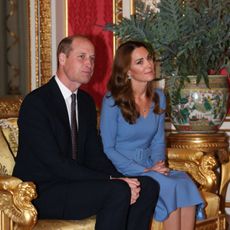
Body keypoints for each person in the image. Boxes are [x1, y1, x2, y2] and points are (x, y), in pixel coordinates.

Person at [13, 35, 160, 230]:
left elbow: (94, 155)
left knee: (147, 186)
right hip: (41, 191)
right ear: (62, 59)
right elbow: (54, 162)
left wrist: (123, 178)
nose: (89, 63)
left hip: (76, 186)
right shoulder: (37, 103)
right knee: (117, 190)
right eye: (82, 57)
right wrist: (112, 180)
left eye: (92, 58)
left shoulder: (85, 102)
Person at [100, 41, 205, 230]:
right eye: (140, 62)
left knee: (185, 182)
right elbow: (108, 148)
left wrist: (158, 165)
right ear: (128, 71)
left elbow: (158, 140)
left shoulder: (158, 97)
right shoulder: (111, 101)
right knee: (170, 187)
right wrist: (145, 171)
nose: (149, 64)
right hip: (124, 169)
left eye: (149, 58)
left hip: (151, 166)